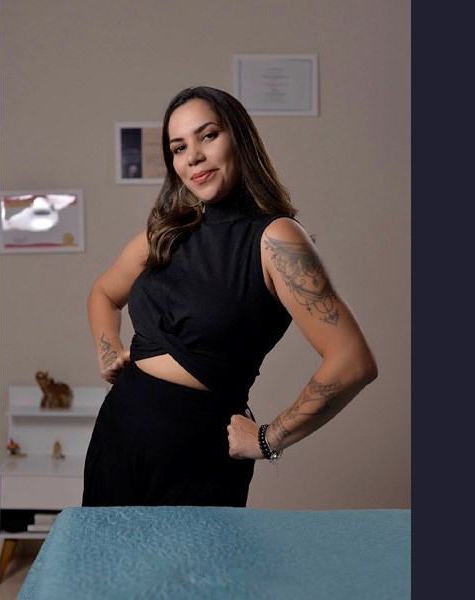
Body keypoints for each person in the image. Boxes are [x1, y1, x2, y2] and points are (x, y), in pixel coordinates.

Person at [83, 86, 377, 508]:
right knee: (102, 553)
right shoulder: (166, 233)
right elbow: (104, 293)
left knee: (194, 556)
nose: (193, 157)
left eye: (208, 136)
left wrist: (268, 438)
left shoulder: (277, 239)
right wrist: (107, 350)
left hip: (196, 454)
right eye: (178, 147)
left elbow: (353, 362)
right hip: (118, 434)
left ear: (238, 137)